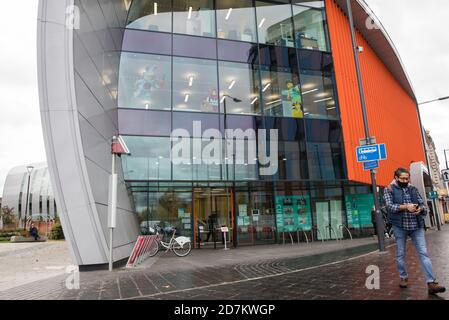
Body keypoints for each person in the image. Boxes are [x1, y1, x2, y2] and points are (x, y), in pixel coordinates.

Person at [383, 168, 445, 295]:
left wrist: (420, 210)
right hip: (399, 226)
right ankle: (403, 277)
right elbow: (390, 207)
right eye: (403, 179)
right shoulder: (389, 189)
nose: (406, 181)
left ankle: (431, 283)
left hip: (416, 225)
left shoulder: (413, 189)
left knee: (423, 253)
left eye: (407, 178)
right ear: (396, 177)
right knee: (401, 253)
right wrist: (406, 207)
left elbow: (423, 205)